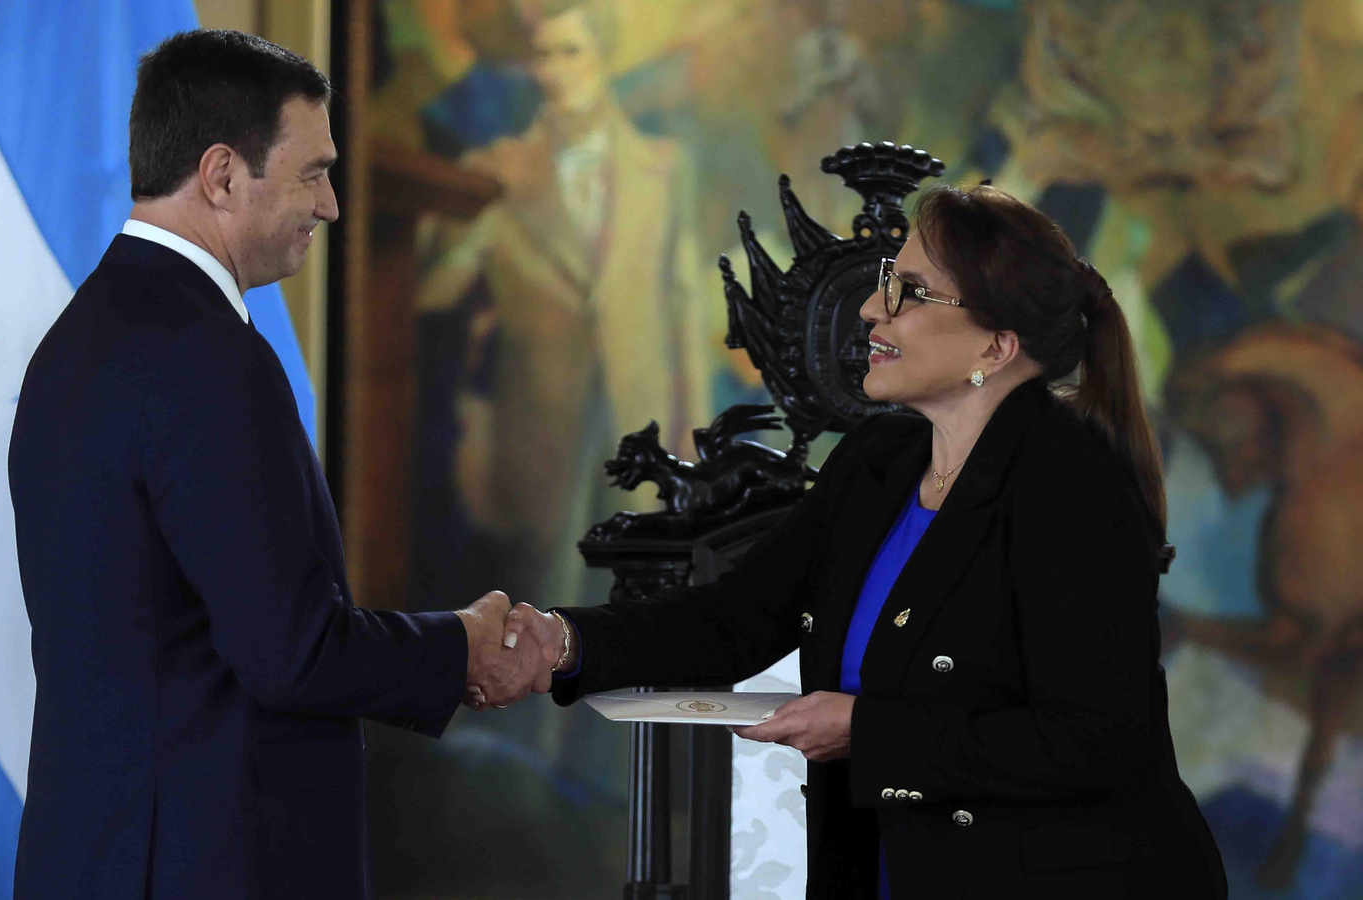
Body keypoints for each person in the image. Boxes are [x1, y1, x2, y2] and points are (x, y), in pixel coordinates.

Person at [501, 185, 1229, 897]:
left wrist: (870, 732)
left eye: (910, 292)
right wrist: (561, 642)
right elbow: (735, 618)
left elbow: (1095, 740)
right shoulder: (878, 461)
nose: (872, 308)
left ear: (997, 345)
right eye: (888, 281)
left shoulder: (1071, 485)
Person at [8, 30, 545, 900]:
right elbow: (292, 652)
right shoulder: (206, 355)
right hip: (203, 867)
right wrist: (461, 646)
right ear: (222, 175)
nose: (330, 205)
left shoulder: (80, 337)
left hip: (102, 858)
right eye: (312, 173)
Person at [415, 0, 713, 609]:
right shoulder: (496, 172)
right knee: (543, 611)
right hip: (539, 425)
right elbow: (433, 292)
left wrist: (697, 438)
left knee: (639, 604)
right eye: (543, 56)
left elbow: (683, 308)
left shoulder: (663, 168)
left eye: (571, 52)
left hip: (640, 417)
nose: (555, 71)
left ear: (604, 59)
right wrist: (481, 211)